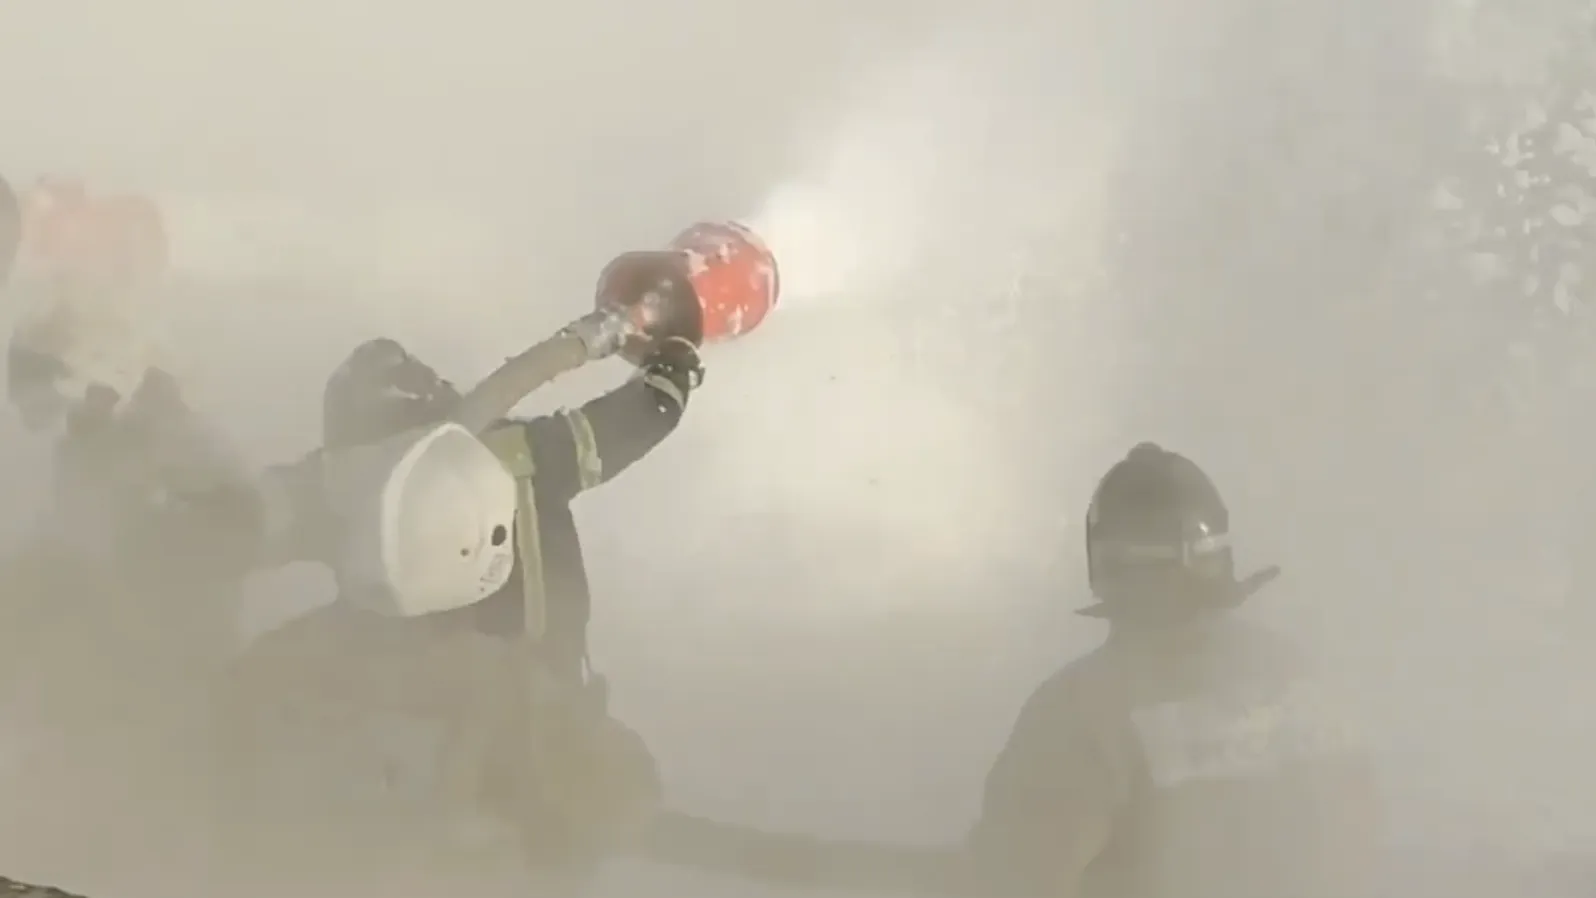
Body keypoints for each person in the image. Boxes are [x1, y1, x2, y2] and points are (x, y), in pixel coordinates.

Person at [645, 442, 1382, 898]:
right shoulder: (1297, 680)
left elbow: (1008, 886)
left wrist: (697, 847)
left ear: (1104, 565)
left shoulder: (1091, 709)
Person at [217, 332, 702, 878]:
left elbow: (239, 523)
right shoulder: (519, 454)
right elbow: (634, 422)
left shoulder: (344, 483)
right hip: (467, 719)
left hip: (519, 724)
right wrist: (672, 368)